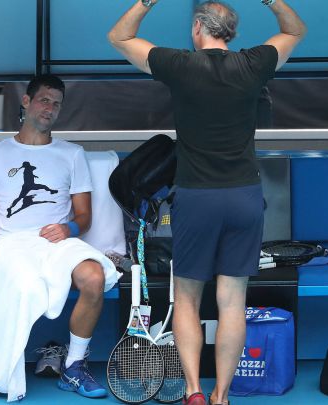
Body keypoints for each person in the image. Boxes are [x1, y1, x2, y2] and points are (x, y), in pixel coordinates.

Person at [108, 1, 305, 405]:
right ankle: (222, 396)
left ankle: (195, 390)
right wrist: (273, 2)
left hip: (196, 198)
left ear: (199, 27)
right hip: (244, 196)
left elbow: (120, 37)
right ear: (230, 32)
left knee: (188, 297)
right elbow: (295, 30)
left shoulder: (180, 65)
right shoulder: (254, 63)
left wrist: (145, 2)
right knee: (233, 300)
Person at [0, 74, 119, 401]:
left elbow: (84, 216)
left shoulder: (73, 154)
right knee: (20, 285)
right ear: (27, 101)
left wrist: (69, 229)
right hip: (12, 243)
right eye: (44, 100)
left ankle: (73, 367)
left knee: (94, 276)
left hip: (57, 243)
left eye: (57, 104)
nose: (50, 108)